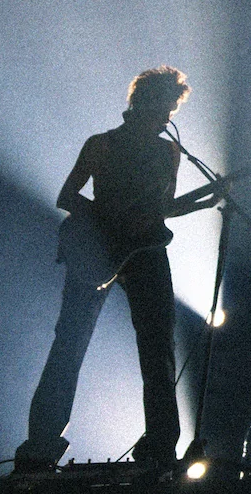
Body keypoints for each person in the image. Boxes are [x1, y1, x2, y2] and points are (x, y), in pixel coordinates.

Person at [16, 66, 224, 471]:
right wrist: (109, 220)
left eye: (173, 108)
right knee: (71, 341)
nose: (169, 116)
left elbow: (163, 208)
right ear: (144, 102)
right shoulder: (101, 145)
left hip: (146, 251)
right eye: (166, 106)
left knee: (158, 346)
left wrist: (204, 200)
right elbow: (66, 196)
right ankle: (40, 444)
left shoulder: (169, 152)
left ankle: (160, 446)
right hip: (95, 248)